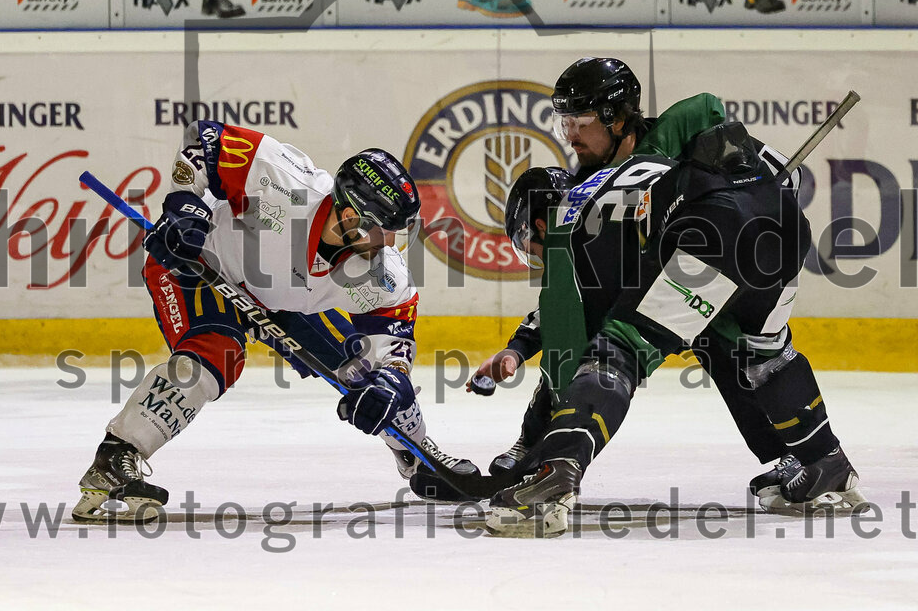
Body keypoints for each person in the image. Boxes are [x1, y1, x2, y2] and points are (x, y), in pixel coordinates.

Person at [474, 58, 865, 536]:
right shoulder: (682, 142)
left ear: (618, 118)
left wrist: (535, 444)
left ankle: (553, 481)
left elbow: (568, 338)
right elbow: (788, 177)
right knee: (761, 355)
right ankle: (828, 467)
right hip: (782, 234)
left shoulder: (591, 199)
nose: (569, 137)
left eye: (580, 123)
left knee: (617, 350)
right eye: (564, 123)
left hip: (713, 235)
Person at [72, 121, 475, 522]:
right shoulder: (284, 179)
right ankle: (116, 458)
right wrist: (183, 209)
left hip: (278, 298)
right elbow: (203, 141)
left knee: (365, 372)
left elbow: (393, 348)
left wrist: (391, 386)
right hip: (198, 265)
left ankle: (417, 454)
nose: (391, 244)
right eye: (385, 232)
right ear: (352, 216)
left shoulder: (382, 275)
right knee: (218, 356)